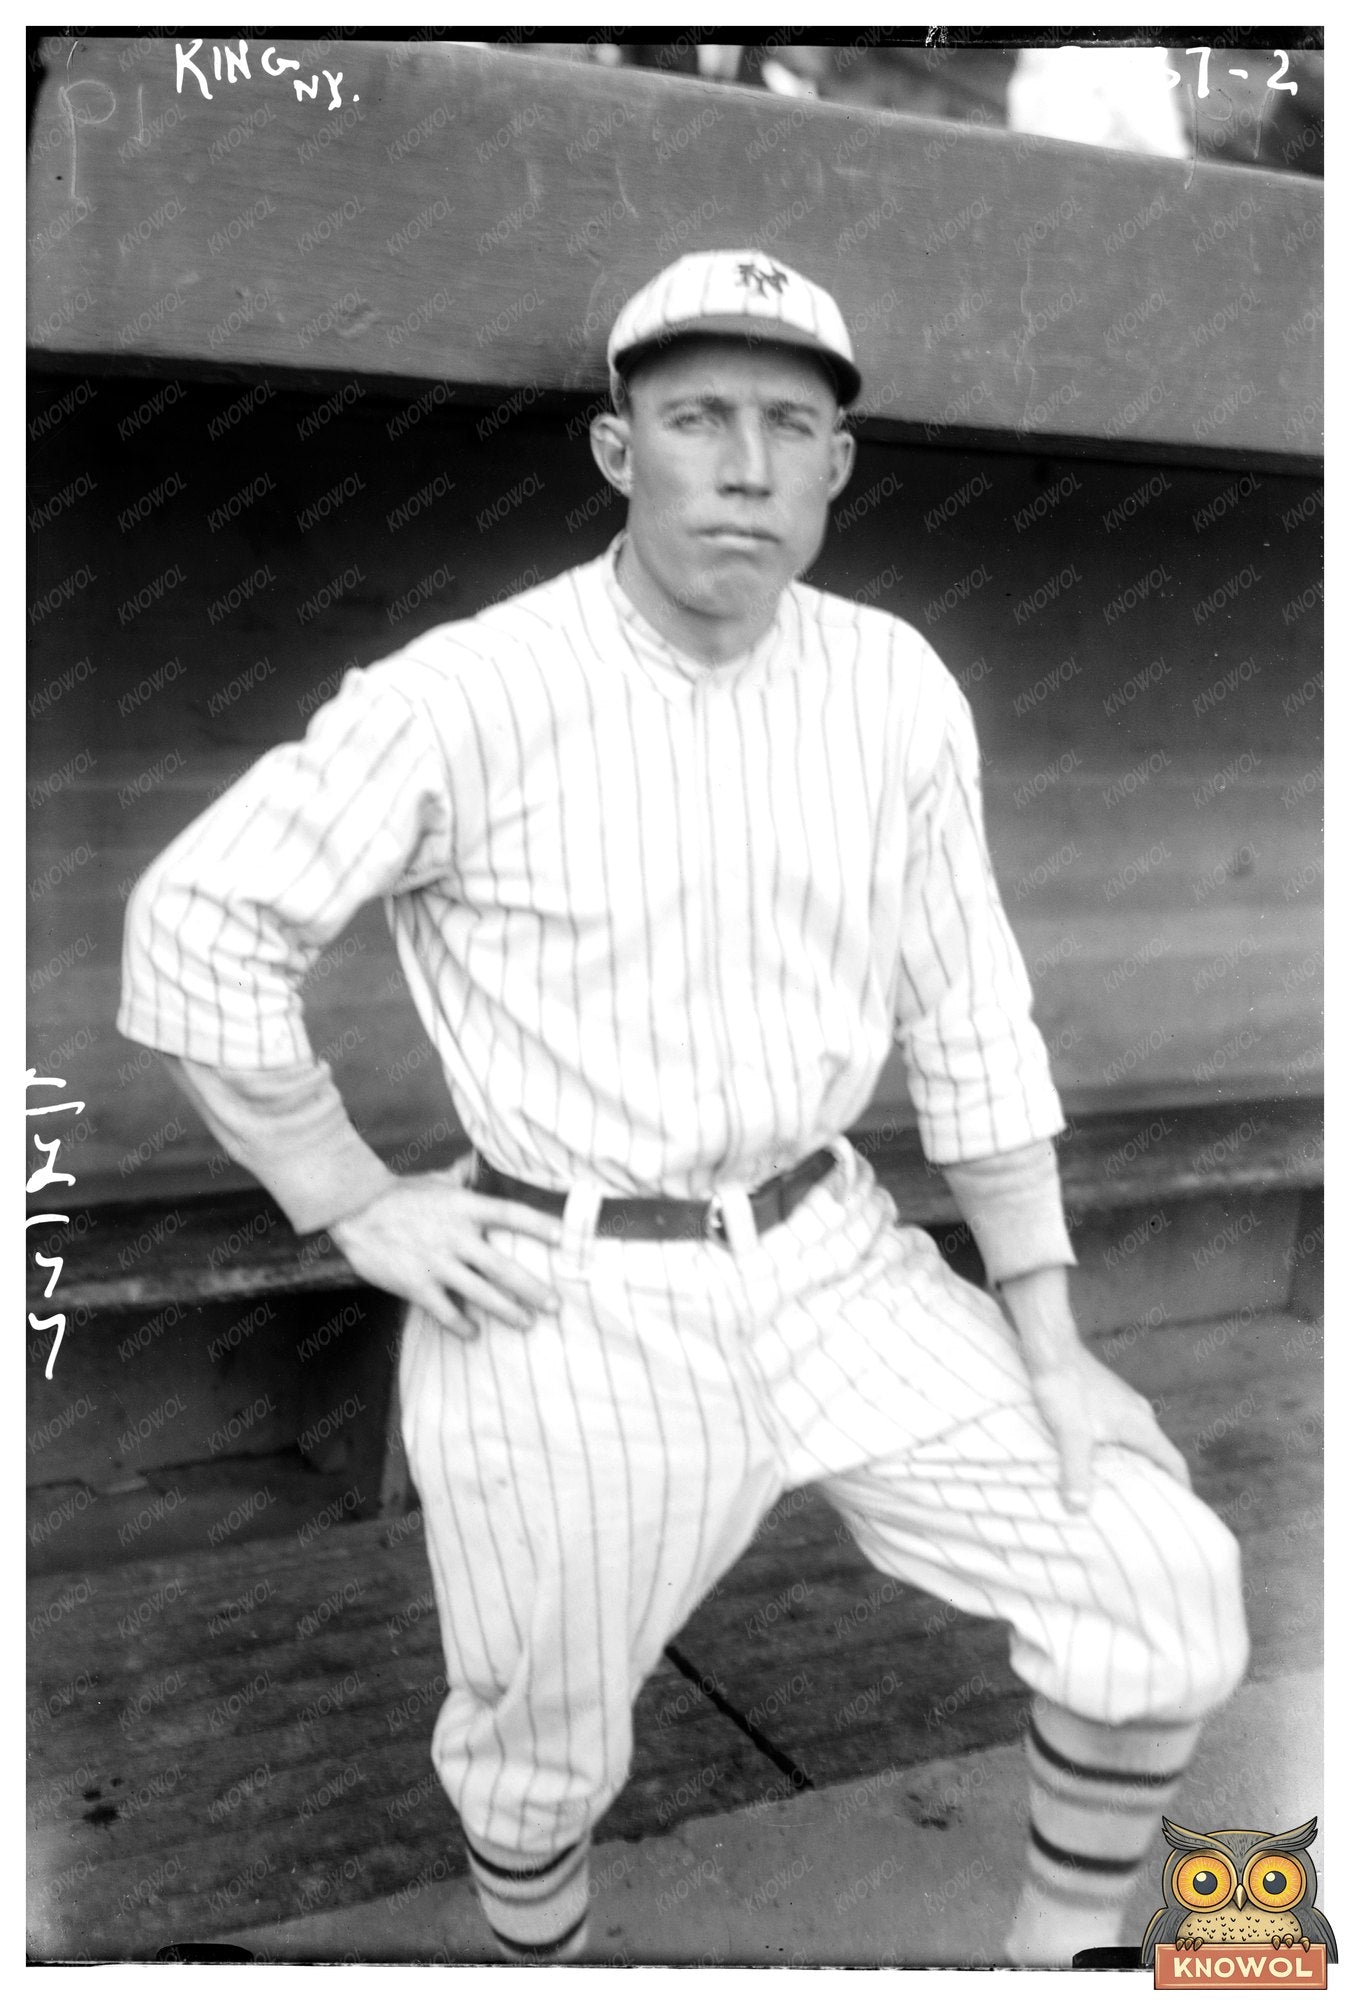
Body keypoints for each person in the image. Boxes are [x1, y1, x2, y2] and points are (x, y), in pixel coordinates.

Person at [119, 249, 1248, 1967]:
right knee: (535, 1758)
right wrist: (347, 1194)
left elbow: (968, 1005)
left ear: (835, 468)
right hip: (569, 1287)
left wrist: (1053, 1328)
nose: (742, 462)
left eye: (787, 424)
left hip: (831, 1254)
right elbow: (200, 920)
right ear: (614, 449)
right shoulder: (469, 691)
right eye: (694, 417)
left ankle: (1062, 1954)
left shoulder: (890, 684)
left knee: (1158, 1588)